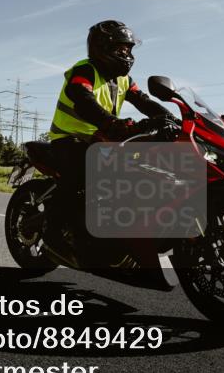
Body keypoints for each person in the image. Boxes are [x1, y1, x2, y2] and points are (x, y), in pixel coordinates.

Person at [45, 20, 175, 251]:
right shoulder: (85, 70)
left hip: (102, 137)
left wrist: (173, 119)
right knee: (76, 175)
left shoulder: (124, 80)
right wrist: (112, 122)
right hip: (69, 137)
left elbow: (144, 102)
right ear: (101, 48)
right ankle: (52, 232)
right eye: (120, 48)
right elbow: (82, 98)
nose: (126, 54)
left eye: (128, 49)